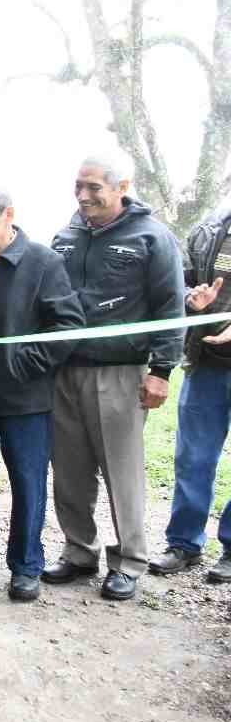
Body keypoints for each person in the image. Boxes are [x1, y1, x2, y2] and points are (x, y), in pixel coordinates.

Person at [44, 154, 184, 601]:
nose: (83, 196)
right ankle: (78, 551)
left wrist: (161, 371)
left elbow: (170, 306)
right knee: (69, 472)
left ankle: (129, 561)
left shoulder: (151, 237)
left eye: (94, 187)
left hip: (120, 373)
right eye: (78, 186)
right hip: (65, 371)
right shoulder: (65, 236)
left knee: (122, 472)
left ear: (121, 187)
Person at [0, 185, 85, 602]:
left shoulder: (43, 262)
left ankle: (25, 566)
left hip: (26, 399)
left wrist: (24, 364)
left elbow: (68, 325)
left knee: (27, 483)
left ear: (8, 215)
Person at [149, 201, 231, 584]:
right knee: (193, 458)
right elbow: (179, 282)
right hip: (207, 364)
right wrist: (191, 299)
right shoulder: (209, 231)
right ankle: (184, 543)